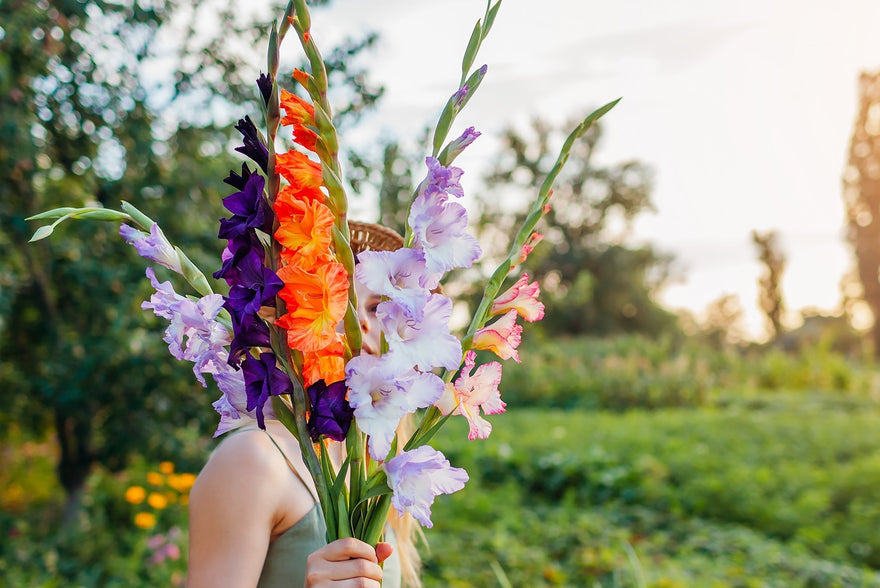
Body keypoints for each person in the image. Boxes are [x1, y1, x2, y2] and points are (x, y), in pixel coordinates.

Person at [187, 223, 420, 588]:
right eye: (337, 300)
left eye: (377, 307)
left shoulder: (375, 464)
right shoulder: (254, 460)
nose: (359, 321)